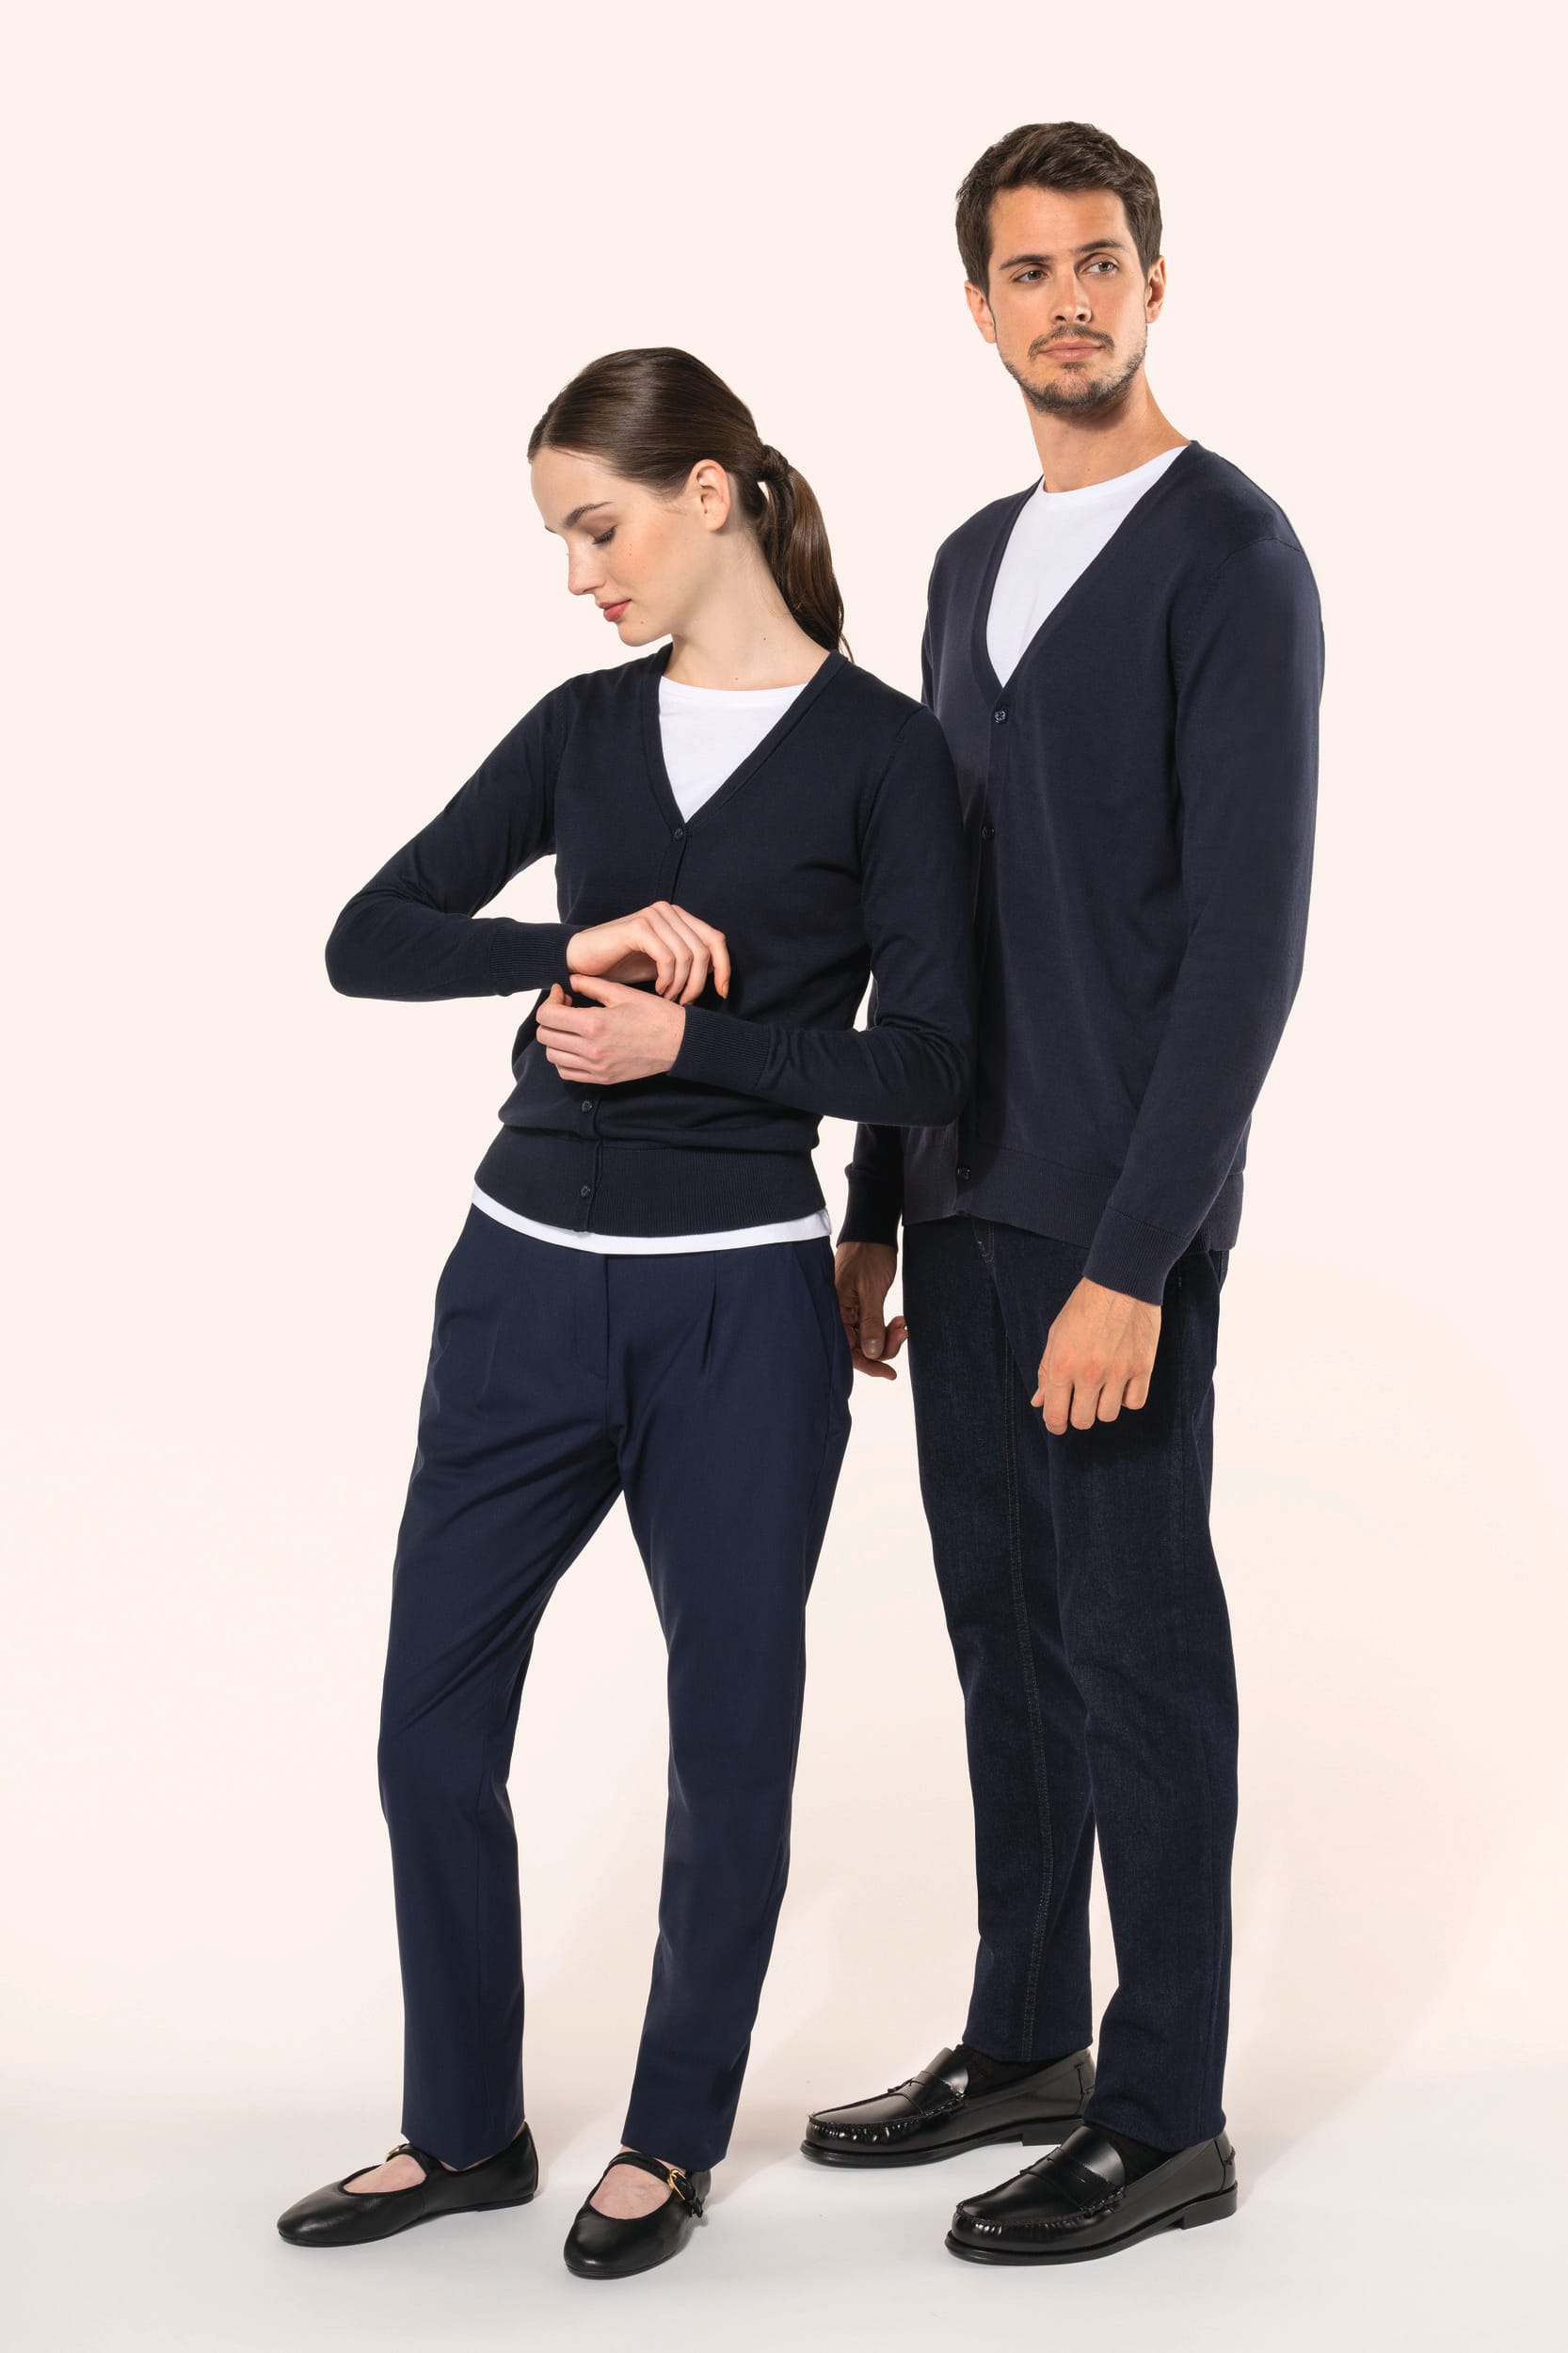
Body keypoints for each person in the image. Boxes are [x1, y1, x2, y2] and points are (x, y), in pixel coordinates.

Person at [275, 346, 974, 2280]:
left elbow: (929, 1059)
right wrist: (560, 941)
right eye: (560, 538)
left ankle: (669, 2138)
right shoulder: (582, 726)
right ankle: (461, 2126)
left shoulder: (884, 755)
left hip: (735, 1317)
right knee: (430, 1731)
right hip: (514, 1287)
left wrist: (702, 1048)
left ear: (712, 493)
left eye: (599, 528)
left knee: (726, 1744)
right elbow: (365, 936)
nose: (579, 573)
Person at [804, 122, 1323, 2264]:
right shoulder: (960, 566)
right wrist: (871, 1196)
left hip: (1112, 1216)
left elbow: (1245, 947)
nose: (1068, 301)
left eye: (1099, 261)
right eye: (1027, 272)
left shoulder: (1231, 556)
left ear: (1153, 280)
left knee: (1133, 1644)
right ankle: (1022, 2034)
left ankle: (1163, 2107)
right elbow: (919, 917)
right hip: (955, 1197)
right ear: (979, 307)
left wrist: (1139, 1254)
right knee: (999, 1635)